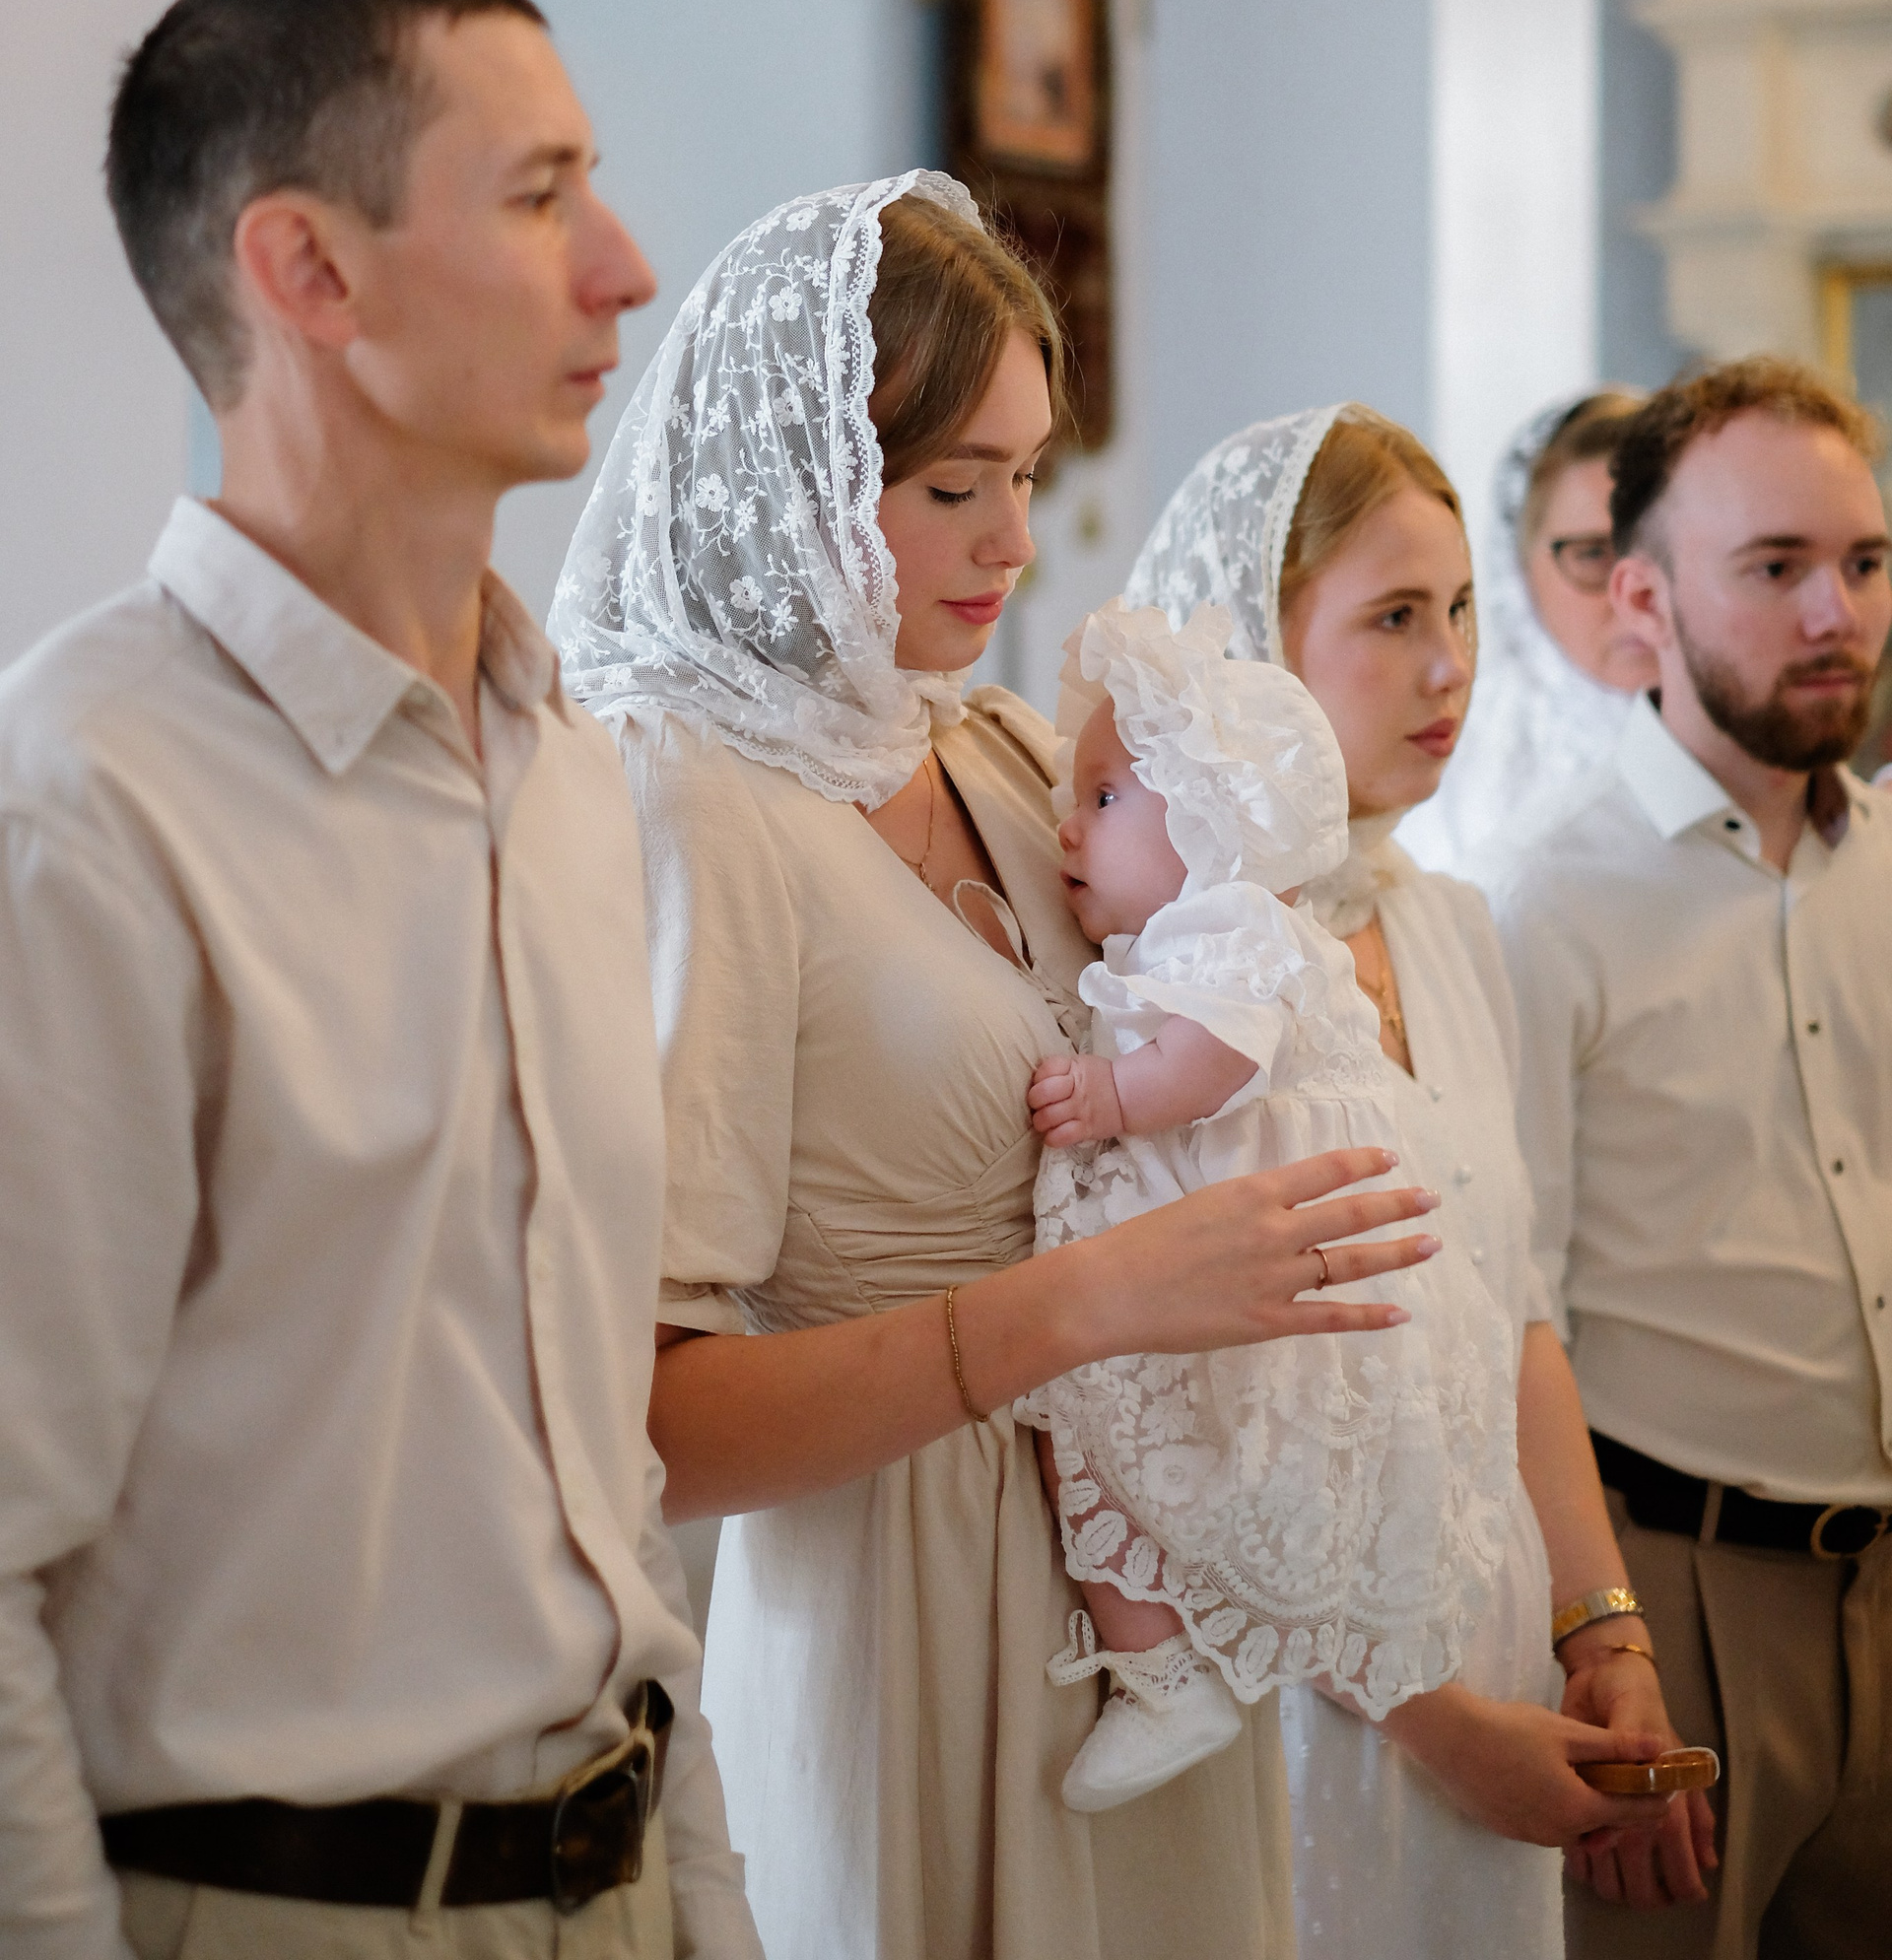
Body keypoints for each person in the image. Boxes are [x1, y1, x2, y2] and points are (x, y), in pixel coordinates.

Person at [549, 177, 1443, 1960]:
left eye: (1029, 477)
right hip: (906, 1610)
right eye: (955, 487)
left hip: (1144, 1595)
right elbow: (641, 1421)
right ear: (803, 475)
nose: (1016, 540)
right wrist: (1090, 1300)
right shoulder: (683, 801)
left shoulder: (1007, 749)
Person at [0, 0, 759, 1960]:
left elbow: (603, 1477)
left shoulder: (570, 774)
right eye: (541, 196)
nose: (624, 268)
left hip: (614, 1888)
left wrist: (706, 1906)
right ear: (310, 272)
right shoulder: (84, 805)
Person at [1128, 405, 1709, 1960]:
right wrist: (1442, 1728)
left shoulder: (1448, 925)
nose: (1452, 666)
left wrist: (1605, 1632)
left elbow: (1517, 1314)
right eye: (1393, 618)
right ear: (1255, 646)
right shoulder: (1190, 977)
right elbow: (1191, 1437)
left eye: (1458, 610)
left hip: (1493, 1653)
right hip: (1303, 1705)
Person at [1495, 355, 1892, 1959]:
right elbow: (1512, 1311)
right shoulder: (1546, 903)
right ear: (1644, 600)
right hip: (1676, 1594)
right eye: (1776, 568)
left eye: (1864, 562)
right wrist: (1601, 1641)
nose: (1836, 615)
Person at [1023, 597, 1516, 1813]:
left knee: (1105, 1417)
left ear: (1212, 821)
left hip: (1261, 1259)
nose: (1067, 825)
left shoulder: (1238, 925)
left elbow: (1218, 1057)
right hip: (1230, 1247)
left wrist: (1115, 1094)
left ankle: (1164, 1668)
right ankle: (1164, 1661)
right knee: (1110, 1431)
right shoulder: (1198, 931)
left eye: (1105, 798)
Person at [1401, 389, 1655, 885]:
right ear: (1518, 570)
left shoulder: (1763, 737)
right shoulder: (1452, 762)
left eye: (1661, 551)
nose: (1636, 594)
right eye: (1592, 554)